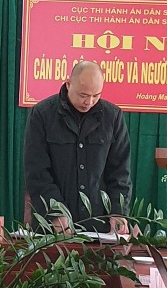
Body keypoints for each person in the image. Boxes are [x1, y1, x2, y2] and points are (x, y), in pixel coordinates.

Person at [23, 61, 131, 232]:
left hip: (100, 226)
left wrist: (118, 212)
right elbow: (37, 171)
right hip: (54, 226)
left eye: (96, 95)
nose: (89, 101)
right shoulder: (42, 114)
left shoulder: (112, 117)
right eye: (83, 95)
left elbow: (120, 173)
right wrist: (56, 212)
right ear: (68, 84)